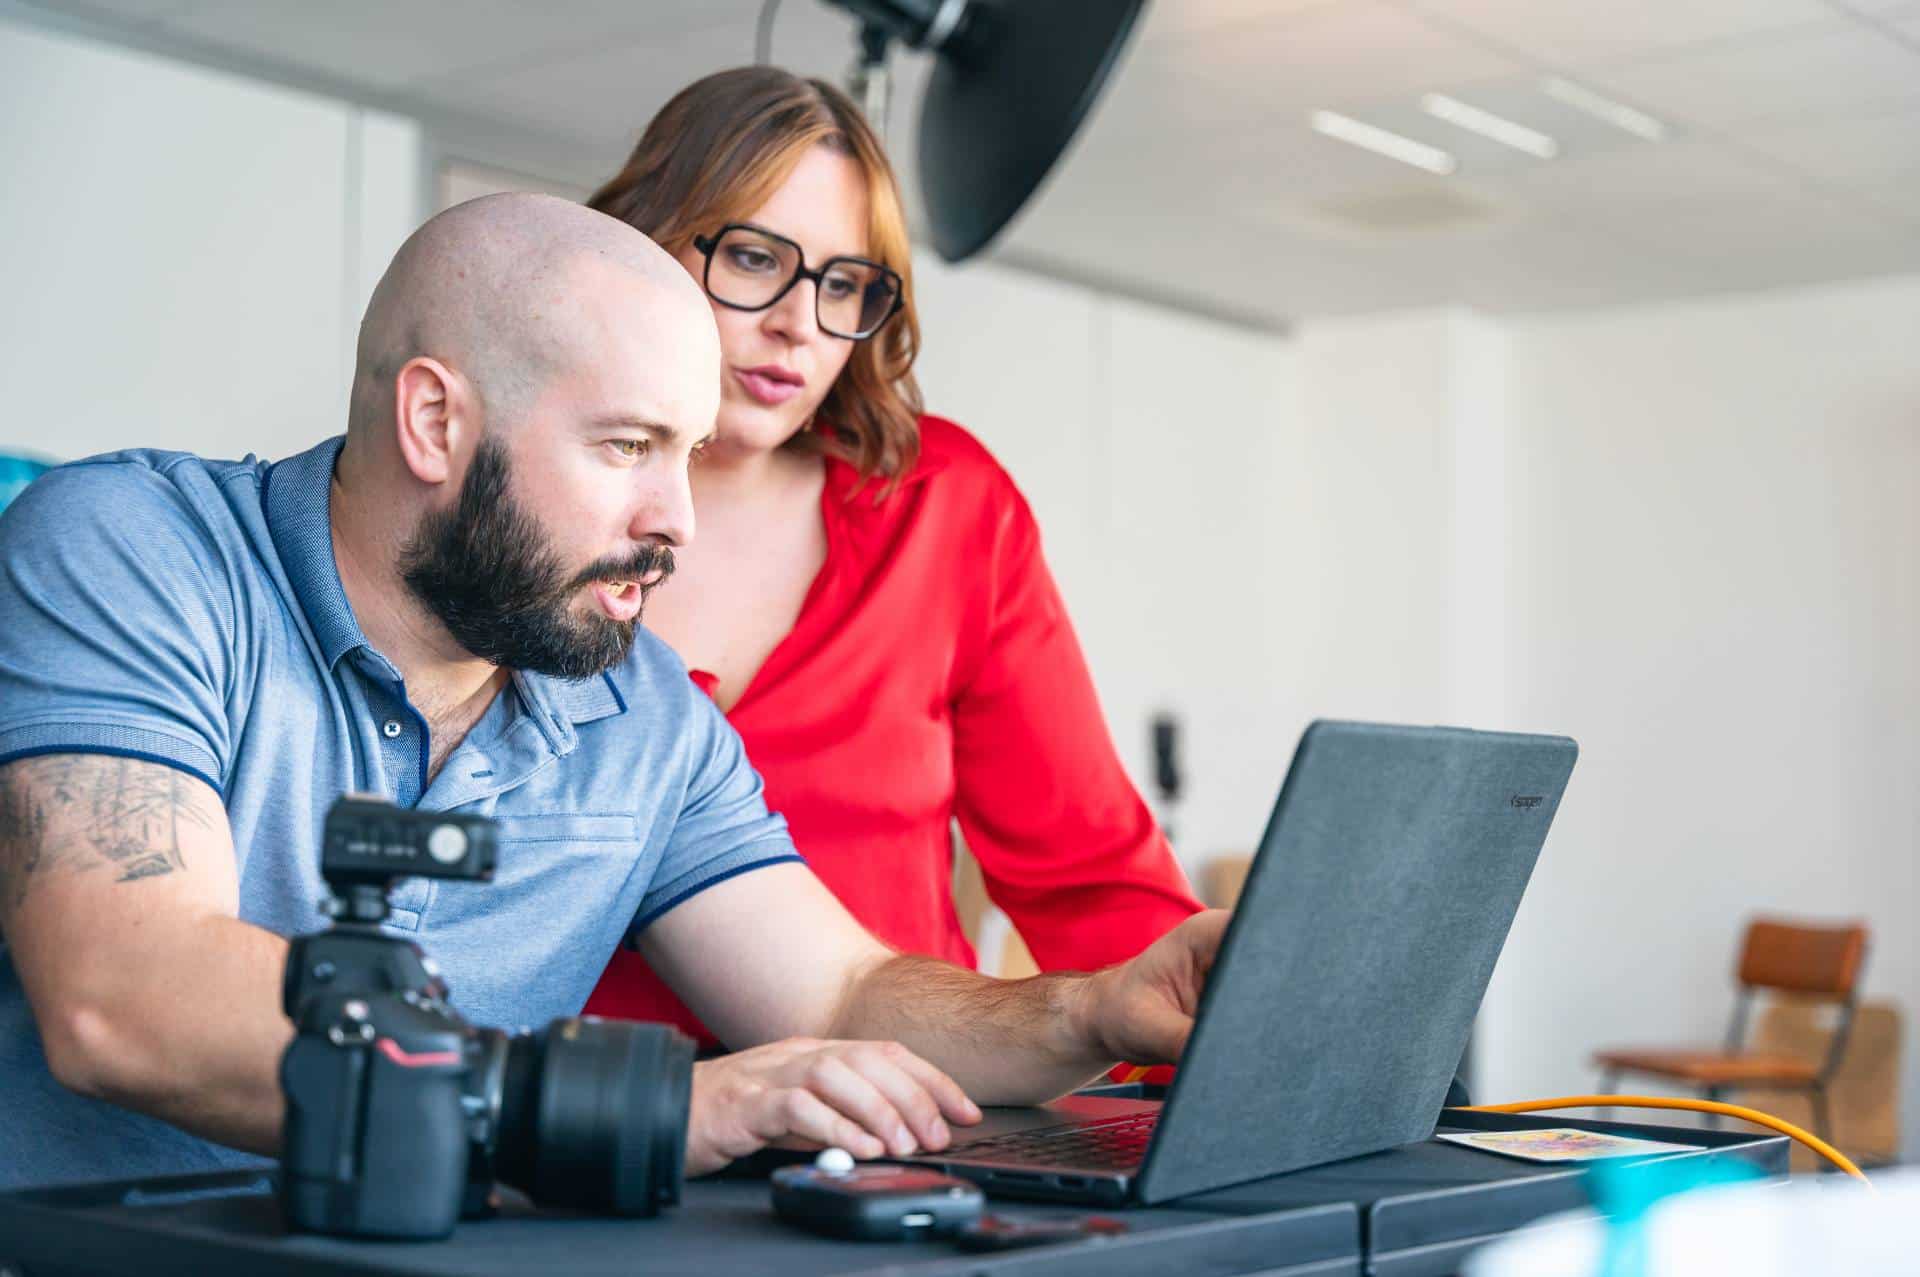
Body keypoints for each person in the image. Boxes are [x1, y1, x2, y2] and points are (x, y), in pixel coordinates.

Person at [0, 193, 1225, 1191]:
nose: (676, 519)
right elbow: (123, 996)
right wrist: (637, 1106)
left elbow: (841, 990)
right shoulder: (136, 552)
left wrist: (1091, 1011)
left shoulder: (642, 709)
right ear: (434, 420)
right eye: (627, 447)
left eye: (686, 455)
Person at [581, 67, 1201, 1047]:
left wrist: (1225, 1036)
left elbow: (1090, 872)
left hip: (911, 1098)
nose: (797, 322)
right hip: (604, 1114)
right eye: (754, 257)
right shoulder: (531, 507)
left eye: (842, 283)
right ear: (646, 242)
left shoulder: (945, 507)